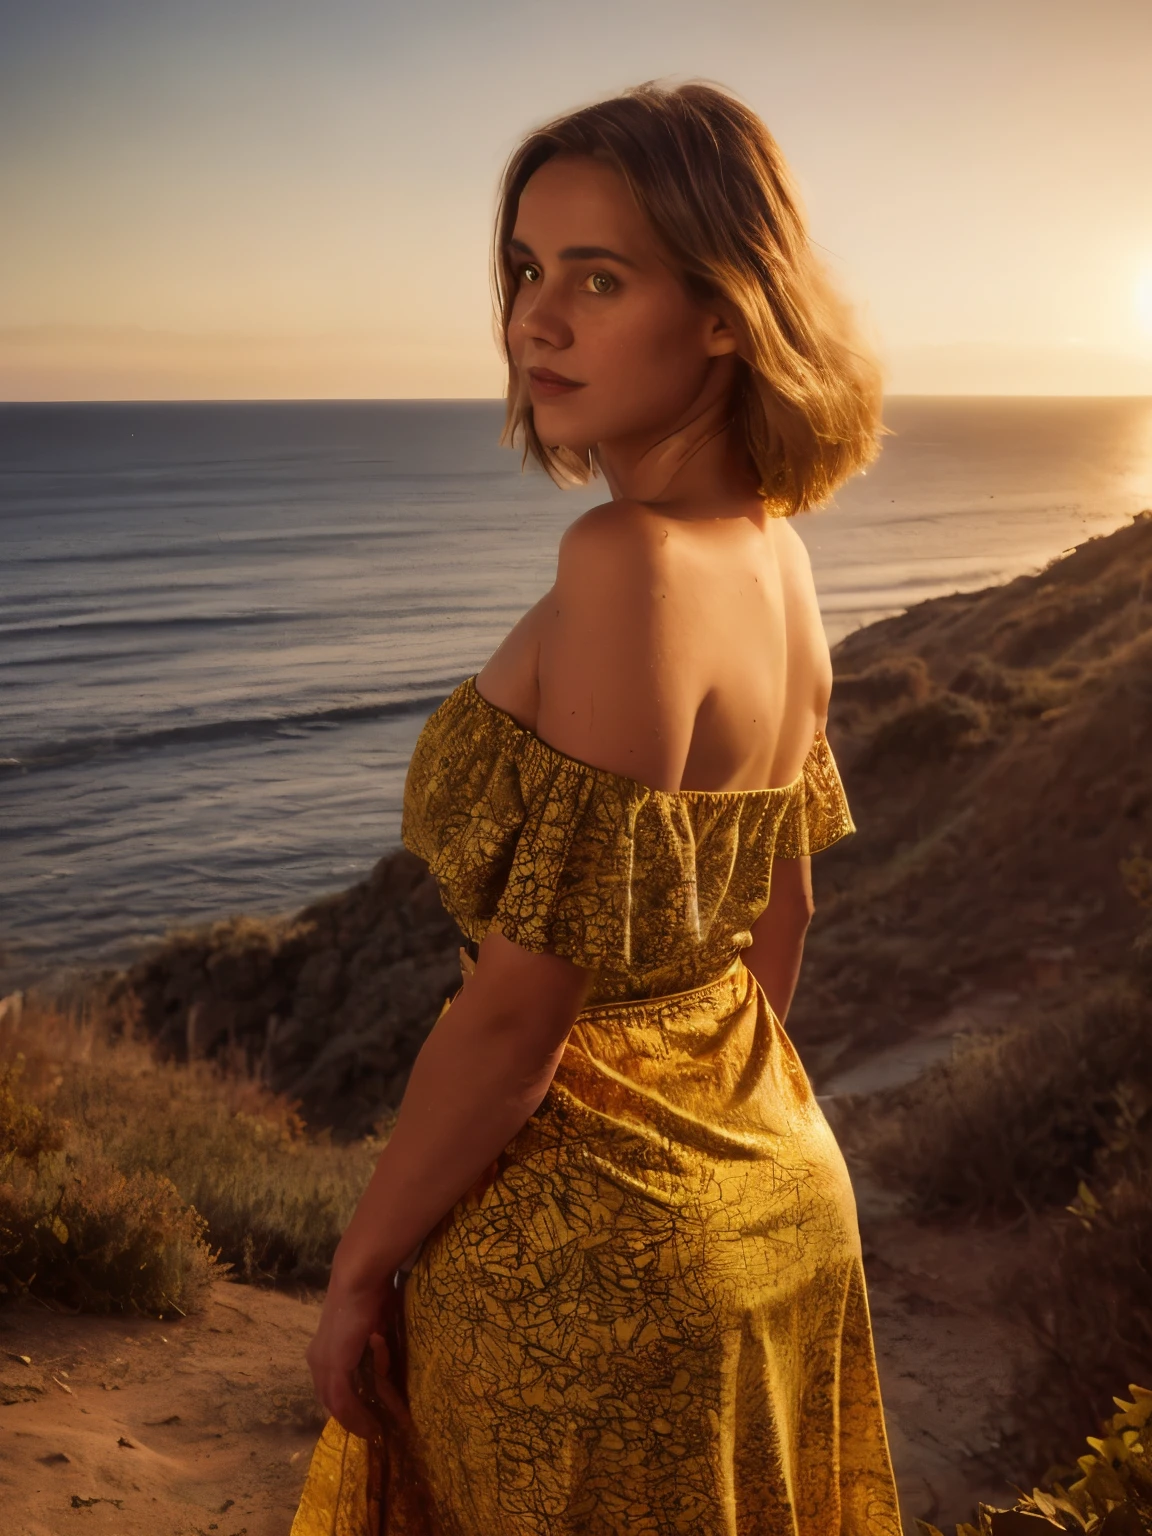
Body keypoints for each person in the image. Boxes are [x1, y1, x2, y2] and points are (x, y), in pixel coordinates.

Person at [292, 80, 901, 1536]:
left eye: (599, 277)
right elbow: (780, 918)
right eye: (524, 269)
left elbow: (519, 1014)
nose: (534, 321)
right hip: (775, 1197)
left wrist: (359, 1269)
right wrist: (725, 1172)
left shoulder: (623, 559)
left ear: (724, 313)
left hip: (600, 1263)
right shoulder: (778, 558)